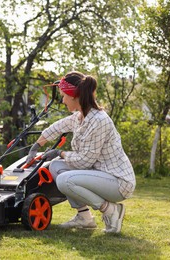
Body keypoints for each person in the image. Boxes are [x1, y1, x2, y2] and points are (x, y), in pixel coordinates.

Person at [26, 71, 135, 234]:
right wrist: (35, 146)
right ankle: (84, 217)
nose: (62, 101)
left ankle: (110, 210)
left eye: (64, 96)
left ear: (74, 96)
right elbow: (57, 127)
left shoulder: (99, 121)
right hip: (99, 174)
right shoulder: (80, 117)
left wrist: (60, 153)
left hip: (118, 181)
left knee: (64, 180)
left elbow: (84, 161)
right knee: (55, 166)